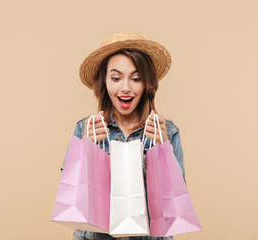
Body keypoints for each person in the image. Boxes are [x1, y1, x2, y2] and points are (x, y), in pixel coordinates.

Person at [62, 32, 185, 240]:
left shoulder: (167, 131)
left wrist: (164, 150)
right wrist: (85, 149)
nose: (126, 88)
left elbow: (175, 201)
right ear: (104, 82)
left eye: (136, 79)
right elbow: (72, 193)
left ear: (147, 85)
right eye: (116, 78)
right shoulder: (86, 128)